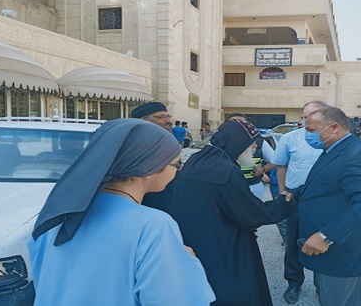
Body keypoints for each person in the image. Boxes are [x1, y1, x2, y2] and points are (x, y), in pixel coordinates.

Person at [28, 119, 215, 305]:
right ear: (149, 168)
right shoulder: (153, 227)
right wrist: (186, 261)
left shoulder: (58, 213)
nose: (177, 171)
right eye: (176, 164)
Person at [143, 119, 295, 306]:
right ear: (238, 142)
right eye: (252, 142)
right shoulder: (227, 171)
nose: (255, 146)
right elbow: (251, 214)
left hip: (197, 237)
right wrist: (284, 203)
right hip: (224, 242)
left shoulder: (199, 159)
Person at [285, 106, 361, 306]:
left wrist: (327, 236)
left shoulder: (359, 155)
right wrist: (296, 192)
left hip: (345, 252)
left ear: (333, 128)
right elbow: (329, 184)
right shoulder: (332, 149)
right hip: (330, 251)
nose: (306, 135)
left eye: (310, 130)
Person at [270, 100, 326, 304]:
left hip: (324, 200)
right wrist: (283, 191)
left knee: (324, 240)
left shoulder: (330, 139)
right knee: (293, 243)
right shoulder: (290, 138)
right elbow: (281, 166)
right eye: (305, 116)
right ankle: (294, 283)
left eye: (314, 115)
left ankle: (323, 285)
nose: (307, 120)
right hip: (295, 199)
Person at [226, 112, 275, 199]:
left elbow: (275, 161)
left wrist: (262, 170)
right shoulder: (219, 143)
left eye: (242, 123)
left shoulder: (259, 142)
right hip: (227, 189)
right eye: (234, 123)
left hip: (253, 188)